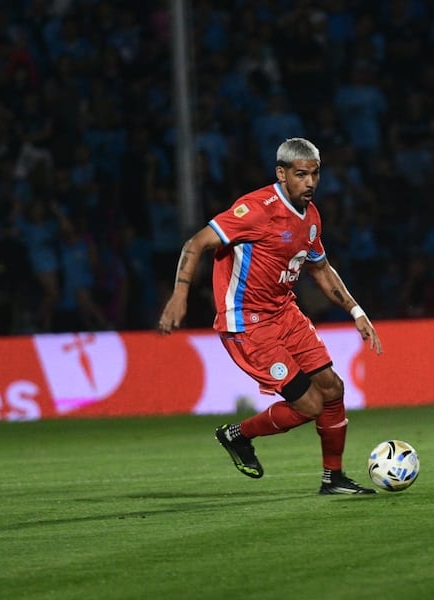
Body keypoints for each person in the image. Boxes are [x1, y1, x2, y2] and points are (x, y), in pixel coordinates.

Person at [158, 137, 383, 494]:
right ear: (282, 174)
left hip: (285, 312)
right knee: (309, 405)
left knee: (333, 388)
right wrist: (179, 296)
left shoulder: (310, 218)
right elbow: (195, 243)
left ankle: (334, 478)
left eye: (315, 174)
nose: (310, 183)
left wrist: (356, 311)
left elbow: (321, 269)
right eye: (300, 174)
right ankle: (236, 435)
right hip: (247, 323)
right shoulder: (257, 209)